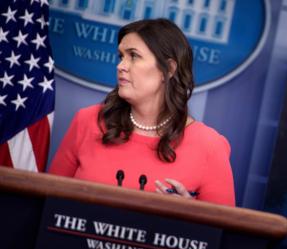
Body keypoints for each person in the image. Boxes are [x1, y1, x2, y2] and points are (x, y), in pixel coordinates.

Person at [49, 19, 235, 207]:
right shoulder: (87, 121)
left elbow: (223, 232)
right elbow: (49, 201)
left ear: (168, 69)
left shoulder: (210, 146)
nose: (121, 66)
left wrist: (190, 215)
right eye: (121, 56)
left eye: (134, 56)